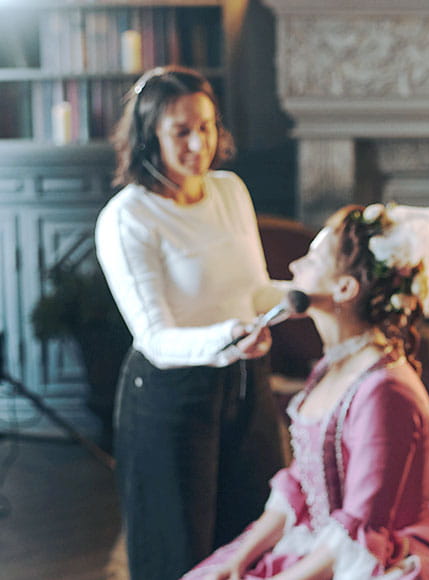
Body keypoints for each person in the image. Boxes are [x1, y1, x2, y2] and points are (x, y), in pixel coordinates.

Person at [184, 203, 429, 580]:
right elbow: (299, 484)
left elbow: (361, 532)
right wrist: (239, 559)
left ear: (345, 288)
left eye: (313, 259)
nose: (295, 267)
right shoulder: (331, 367)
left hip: (370, 559)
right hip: (320, 545)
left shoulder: (384, 391)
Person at [96, 65, 288, 579]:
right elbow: (156, 339)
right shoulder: (127, 217)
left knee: (254, 543)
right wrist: (229, 335)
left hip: (248, 386)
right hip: (169, 401)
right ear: (148, 135)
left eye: (205, 127)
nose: (198, 143)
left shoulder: (230, 191)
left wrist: (320, 294)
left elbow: (257, 290)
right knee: (178, 556)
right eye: (181, 131)